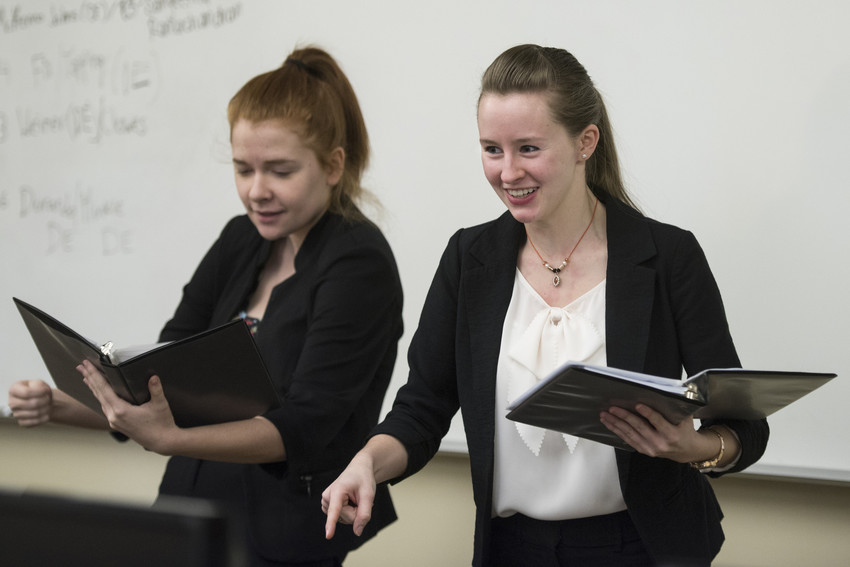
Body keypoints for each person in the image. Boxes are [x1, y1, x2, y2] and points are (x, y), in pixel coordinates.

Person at [321, 44, 769, 567]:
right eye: (492, 149)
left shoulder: (668, 256)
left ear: (585, 142)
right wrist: (366, 463)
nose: (507, 172)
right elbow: (422, 409)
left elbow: (745, 426)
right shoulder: (470, 260)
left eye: (528, 149)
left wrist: (695, 449)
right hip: (512, 550)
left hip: (642, 548)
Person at [8, 46, 402, 567]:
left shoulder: (359, 263)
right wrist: (65, 405)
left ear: (333, 165)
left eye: (280, 171)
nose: (256, 191)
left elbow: (304, 425)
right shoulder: (242, 239)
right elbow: (159, 378)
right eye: (243, 169)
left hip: (282, 537)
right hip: (188, 515)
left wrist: (170, 438)